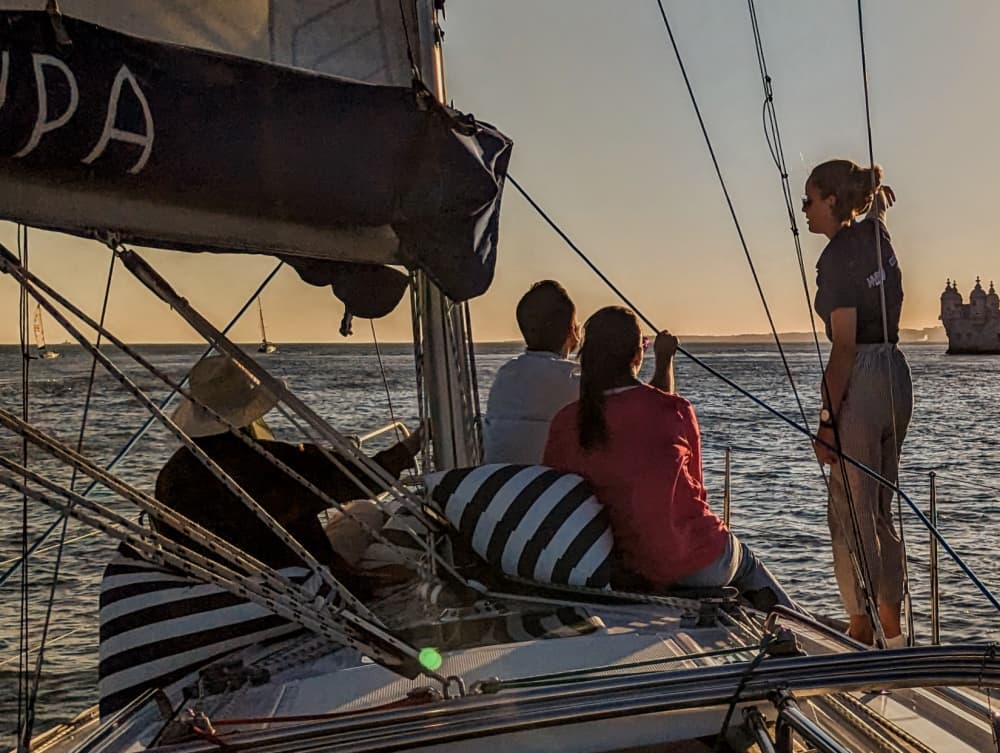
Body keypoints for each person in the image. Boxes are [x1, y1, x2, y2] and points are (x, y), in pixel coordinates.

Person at [543, 306, 796, 610]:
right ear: (637, 356)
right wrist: (665, 360)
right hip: (695, 562)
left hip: (623, 571)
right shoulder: (674, 411)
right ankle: (810, 632)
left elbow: (557, 499)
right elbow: (697, 491)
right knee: (747, 566)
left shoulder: (565, 423)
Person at [154, 356, 422, 593]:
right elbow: (361, 478)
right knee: (365, 510)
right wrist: (411, 446)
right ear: (248, 415)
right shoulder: (272, 463)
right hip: (296, 582)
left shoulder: (171, 475)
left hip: (214, 588)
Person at [803, 159, 912, 647]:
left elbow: (843, 345)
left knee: (848, 509)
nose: (803, 210)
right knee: (880, 508)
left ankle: (862, 628)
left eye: (809, 200)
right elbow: (880, 213)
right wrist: (881, 202)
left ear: (831, 202)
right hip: (896, 375)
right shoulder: (876, 235)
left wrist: (827, 424)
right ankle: (893, 626)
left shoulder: (837, 258)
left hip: (864, 376)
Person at [483, 280, 582, 463]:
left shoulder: (505, 377)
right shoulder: (572, 380)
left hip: (504, 483)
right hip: (550, 487)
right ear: (572, 330)